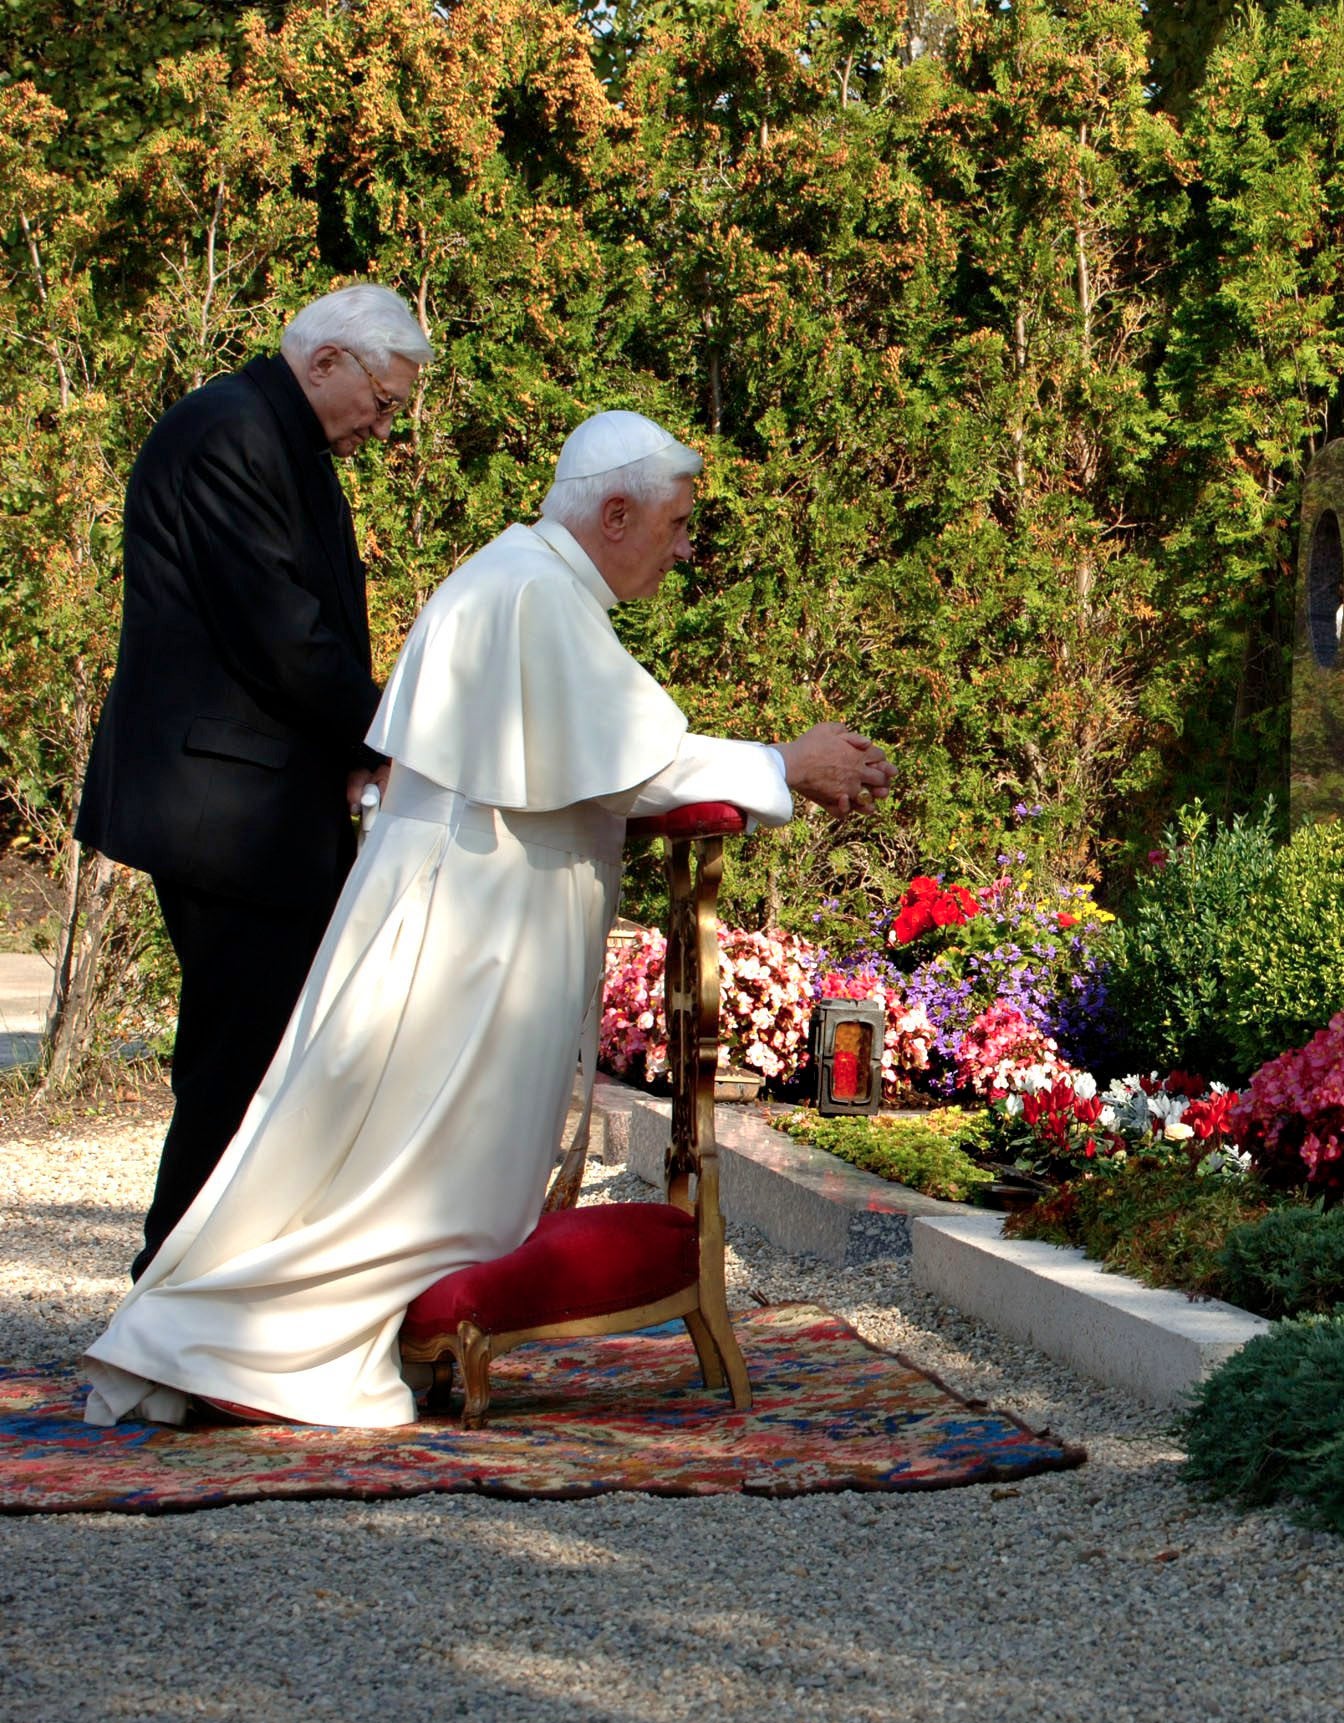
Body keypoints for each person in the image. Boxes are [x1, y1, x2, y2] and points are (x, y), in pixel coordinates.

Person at [80, 412, 894, 1429]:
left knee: (374, 1154)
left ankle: (225, 1337)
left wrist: (770, 765)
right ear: (613, 511)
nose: (686, 548)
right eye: (677, 524)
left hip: (463, 908)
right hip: (467, 933)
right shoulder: (533, 594)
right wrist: (783, 764)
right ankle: (232, 1341)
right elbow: (638, 758)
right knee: (400, 1168)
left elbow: (599, 757)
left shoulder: (526, 580)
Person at [76, 284, 434, 1279]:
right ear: (327, 361)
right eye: (383, 398)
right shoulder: (228, 433)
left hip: (252, 806)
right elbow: (281, 634)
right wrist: (389, 736)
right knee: (241, 1064)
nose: (384, 421)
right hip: (222, 813)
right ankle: (175, 1297)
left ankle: (211, 1294)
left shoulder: (282, 439)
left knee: (258, 1057)